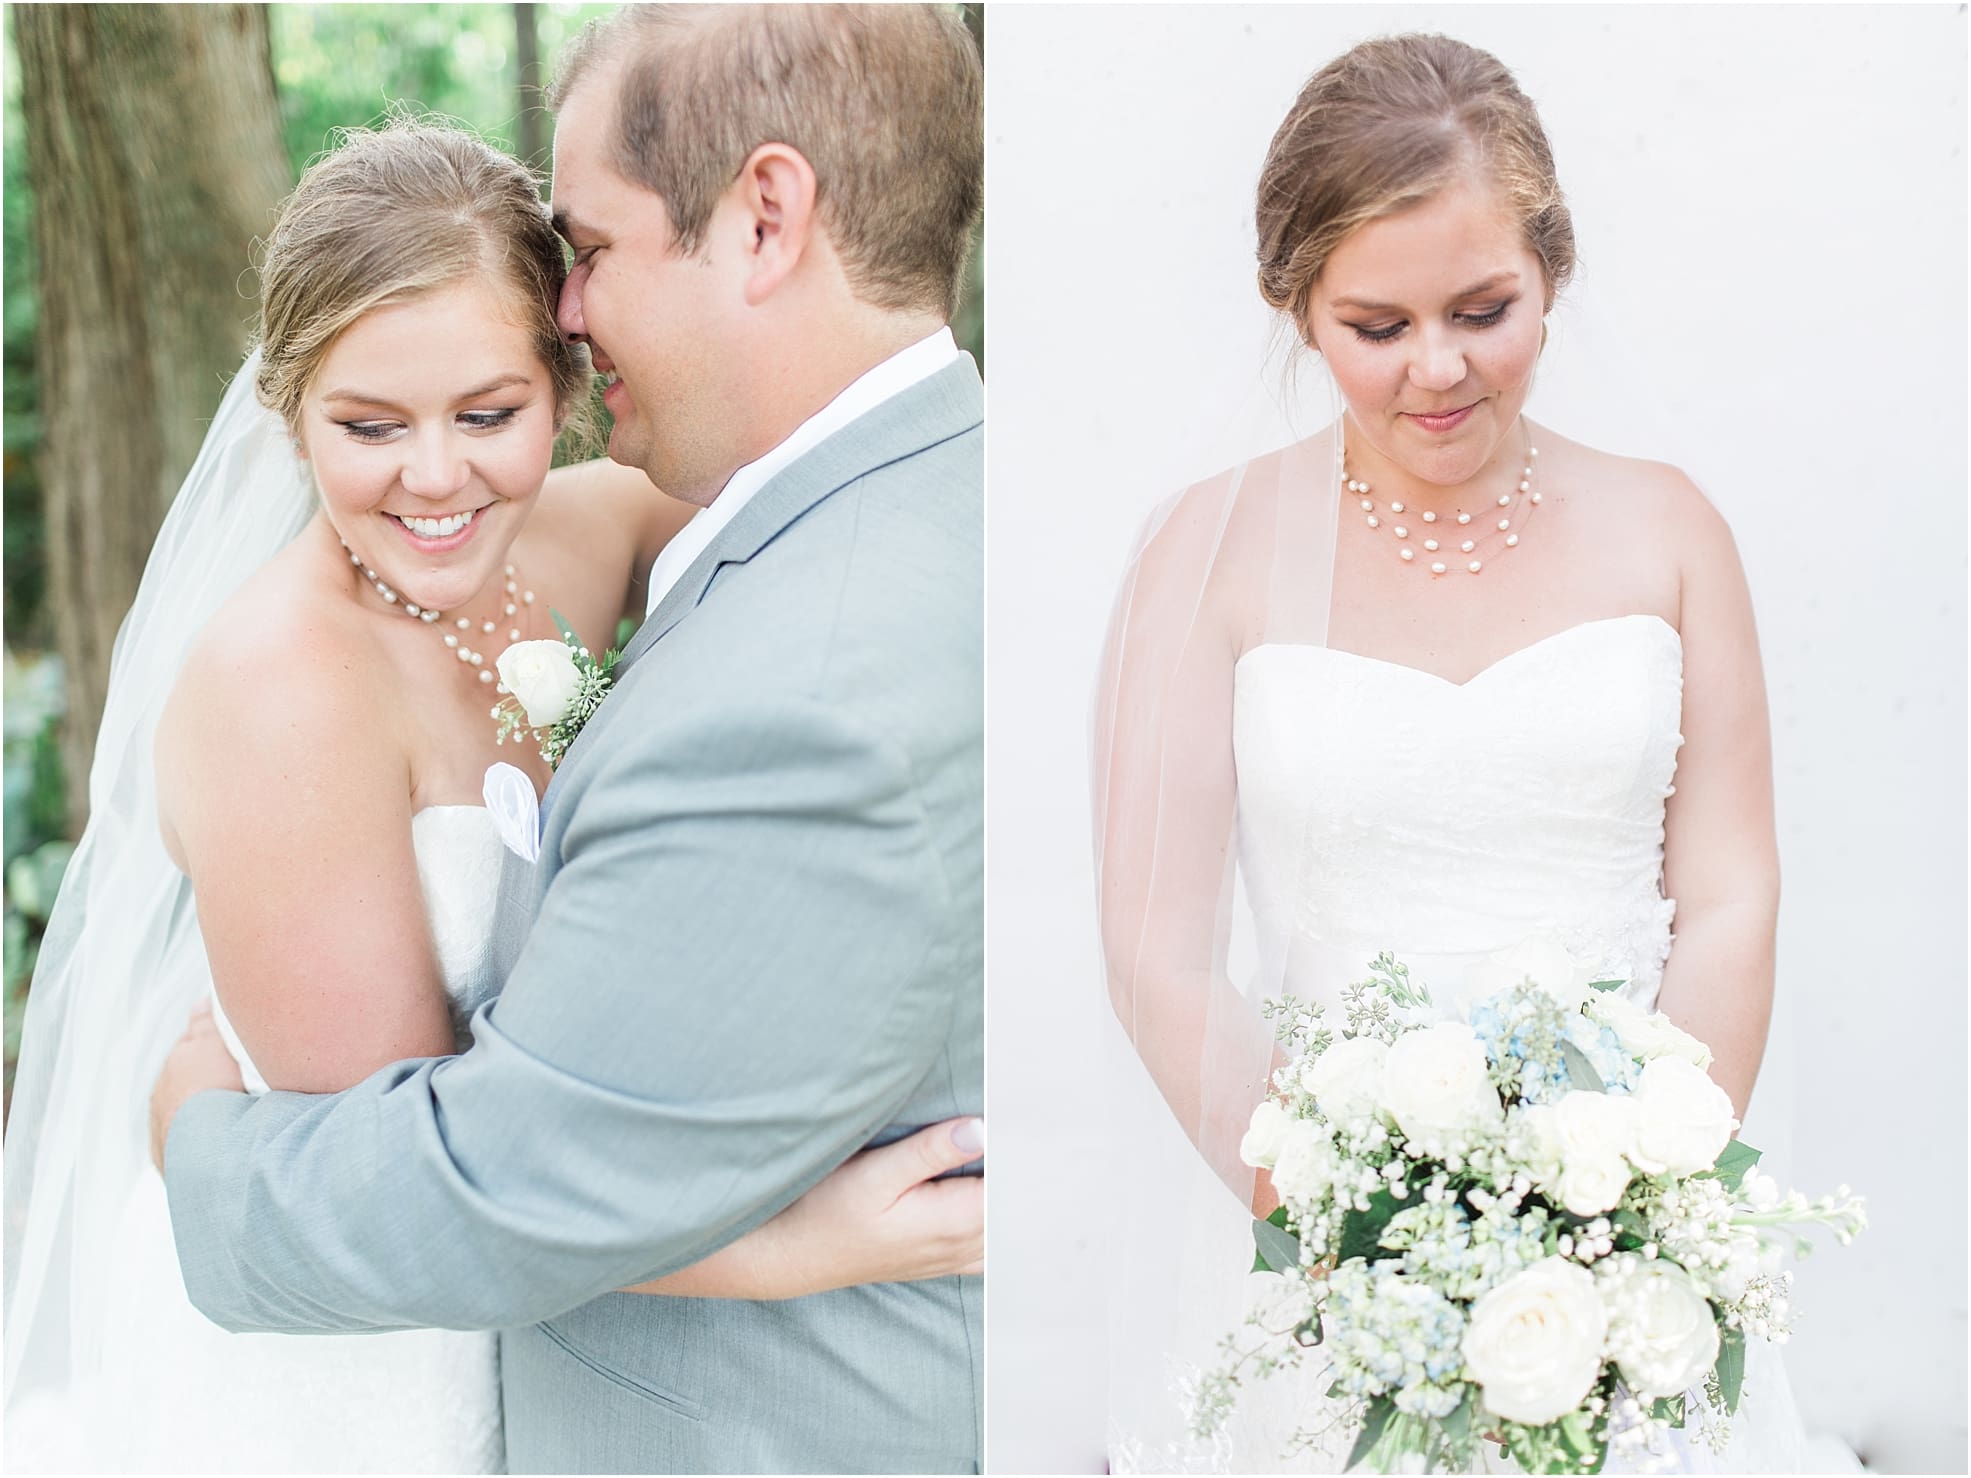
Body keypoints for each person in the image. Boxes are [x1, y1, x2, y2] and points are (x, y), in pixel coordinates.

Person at [4, 85, 981, 1478]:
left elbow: (782, 522)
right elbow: (430, 1186)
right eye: (369, 424)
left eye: (488, 409)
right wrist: (787, 1245)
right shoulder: (286, 691)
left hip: (540, 1306)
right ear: (290, 417)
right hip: (354, 1363)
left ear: (572, 390)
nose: (437, 476)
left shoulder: (585, 541)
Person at [1093, 33, 1838, 1473]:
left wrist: (1645, 1209)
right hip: (1328, 1246)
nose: (1436, 367)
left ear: (1551, 271)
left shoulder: (1673, 529)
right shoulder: (1207, 553)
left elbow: (1733, 894)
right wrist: (1352, 1235)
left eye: (1483, 309)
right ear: (1296, 305)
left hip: (1632, 1230)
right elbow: (1155, 950)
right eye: (1377, 325)